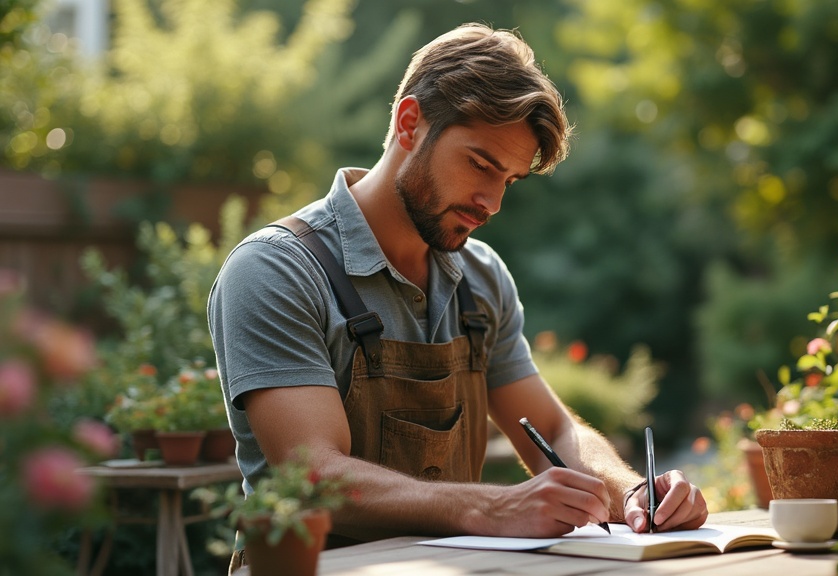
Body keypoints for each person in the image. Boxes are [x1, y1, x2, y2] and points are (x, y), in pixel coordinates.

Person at [208, 22, 707, 554]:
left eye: (509, 180)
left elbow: (554, 432)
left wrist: (630, 491)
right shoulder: (276, 271)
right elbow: (314, 478)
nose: (492, 202)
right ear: (409, 124)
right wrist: (491, 506)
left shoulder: (481, 277)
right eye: (480, 164)